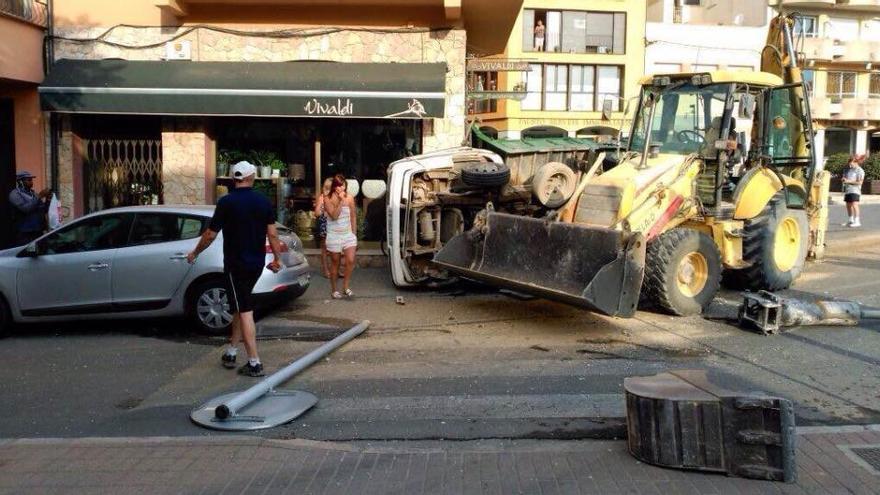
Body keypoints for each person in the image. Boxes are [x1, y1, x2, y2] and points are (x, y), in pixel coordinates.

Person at [187, 161, 284, 377]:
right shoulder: (263, 201)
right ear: (253, 177)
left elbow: (210, 234)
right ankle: (231, 351)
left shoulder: (226, 202)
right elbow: (273, 234)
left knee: (245, 309)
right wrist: (277, 258)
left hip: (235, 265)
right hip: (256, 263)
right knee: (240, 306)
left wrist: (195, 253)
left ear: (234, 178)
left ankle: (254, 362)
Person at [323, 175, 358, 299]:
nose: (342, 187)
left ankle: (346, 286)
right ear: (334, 187)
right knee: (335, 263)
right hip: (334, 236)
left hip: (348, 234)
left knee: (350, 260)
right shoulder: (327, 199)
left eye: (343, 185)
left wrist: (354, 233)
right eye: (339, 185)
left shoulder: (350, 198)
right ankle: (334, 289)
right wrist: (341, 201)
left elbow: (353, 216)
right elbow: (334, 216)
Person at [9, 171, 51, 246]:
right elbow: (26, 209)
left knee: (40, 252)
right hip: (25, 233)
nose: (31, 182)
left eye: (31, 180)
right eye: (28, 180)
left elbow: (43, 210)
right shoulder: (15, 194)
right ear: (20, 182)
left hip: (38, 231)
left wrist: (48, 200)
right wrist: (40, 196)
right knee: (28, 254)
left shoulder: (33, 194)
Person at [313, 178, 333, 277]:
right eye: (326, 187)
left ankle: (335, 269)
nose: (327, 189)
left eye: (330, 187)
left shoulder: (336, 197)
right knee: (325, 248)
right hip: (325, 223)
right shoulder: (321, 197)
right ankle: (326, 270)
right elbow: (316, 213)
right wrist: (322, 209)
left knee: (336, 248)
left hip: (335, 223)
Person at [842, 155, 865, 228]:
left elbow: (860, 182)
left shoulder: (860, 170)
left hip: (855, 190)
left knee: (855, 204)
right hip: (848, 189)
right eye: (849, 163)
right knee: (848, 205)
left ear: (856, 162)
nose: (850, 164)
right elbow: (847, 178)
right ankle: (850, 220)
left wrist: (848, 181)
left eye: (851, 163)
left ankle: (857, 221)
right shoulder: (850, 170)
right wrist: (844, 179)